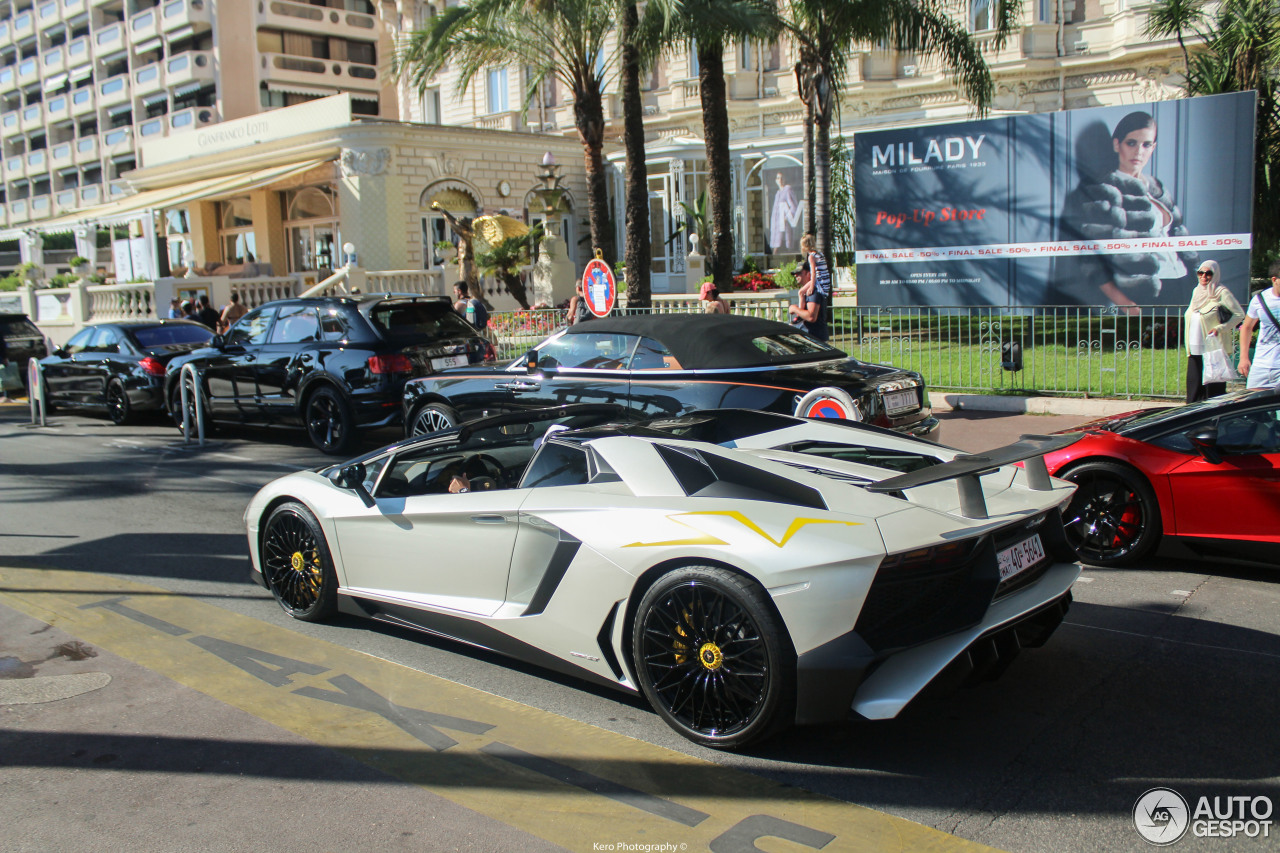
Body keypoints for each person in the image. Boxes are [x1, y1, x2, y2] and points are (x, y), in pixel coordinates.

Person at [1059, 111, 1196, 314]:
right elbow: (1090, 260)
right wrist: (1124, 302)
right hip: (1148, 295)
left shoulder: (1158, 187)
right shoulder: (1102, 191)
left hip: (1185, 283)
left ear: (1153, 148)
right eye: (1131, 143)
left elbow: (1181, 239)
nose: (1139, 152)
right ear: (1117, 144)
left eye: (1146, 144)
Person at [1184, 260, 1244, 403]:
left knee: (1213, 388)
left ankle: (1214, 415)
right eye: (1201, 273)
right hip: (1194, 347)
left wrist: (1220, 328)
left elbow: (1239, 315)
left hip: (1213, 348)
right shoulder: (1196, 292)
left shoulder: (1221, 292)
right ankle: (1190, 417)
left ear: (1215, 274)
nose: (1204, 277)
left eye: (1208, 273)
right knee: (1194, 385)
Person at [1238, 259, 1280, 389]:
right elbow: (1247, 327)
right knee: (1251, 403)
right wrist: (1243, 358)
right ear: (1274, 279)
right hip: (1261, 365)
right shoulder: (1259, 300)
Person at [788, 258, 829, 342]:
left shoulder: (813, 291)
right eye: (795, 273)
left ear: (808, 274)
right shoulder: (805, 291)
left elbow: (811, 317)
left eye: (799, 273)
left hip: (815, 339)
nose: (796, 275)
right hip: (809, 338)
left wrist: (795, 309)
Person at [769, 172, 802, 252]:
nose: (780, 180)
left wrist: (786, 218)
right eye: (778, 178)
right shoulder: (778, 193)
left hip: (784, 228)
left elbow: (794, 206)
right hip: (776, 227)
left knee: (782, 250)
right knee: (775, 251)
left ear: (785, 179)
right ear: (775, 180)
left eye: (781, 178)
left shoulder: (787, 190)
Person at [796, 233, 831, 304]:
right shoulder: (820, 254)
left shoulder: (811, 257)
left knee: (801, 292)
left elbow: (813, 272)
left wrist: (811, 287)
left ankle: (800, 312)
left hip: (819, 281)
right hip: (825, 281)